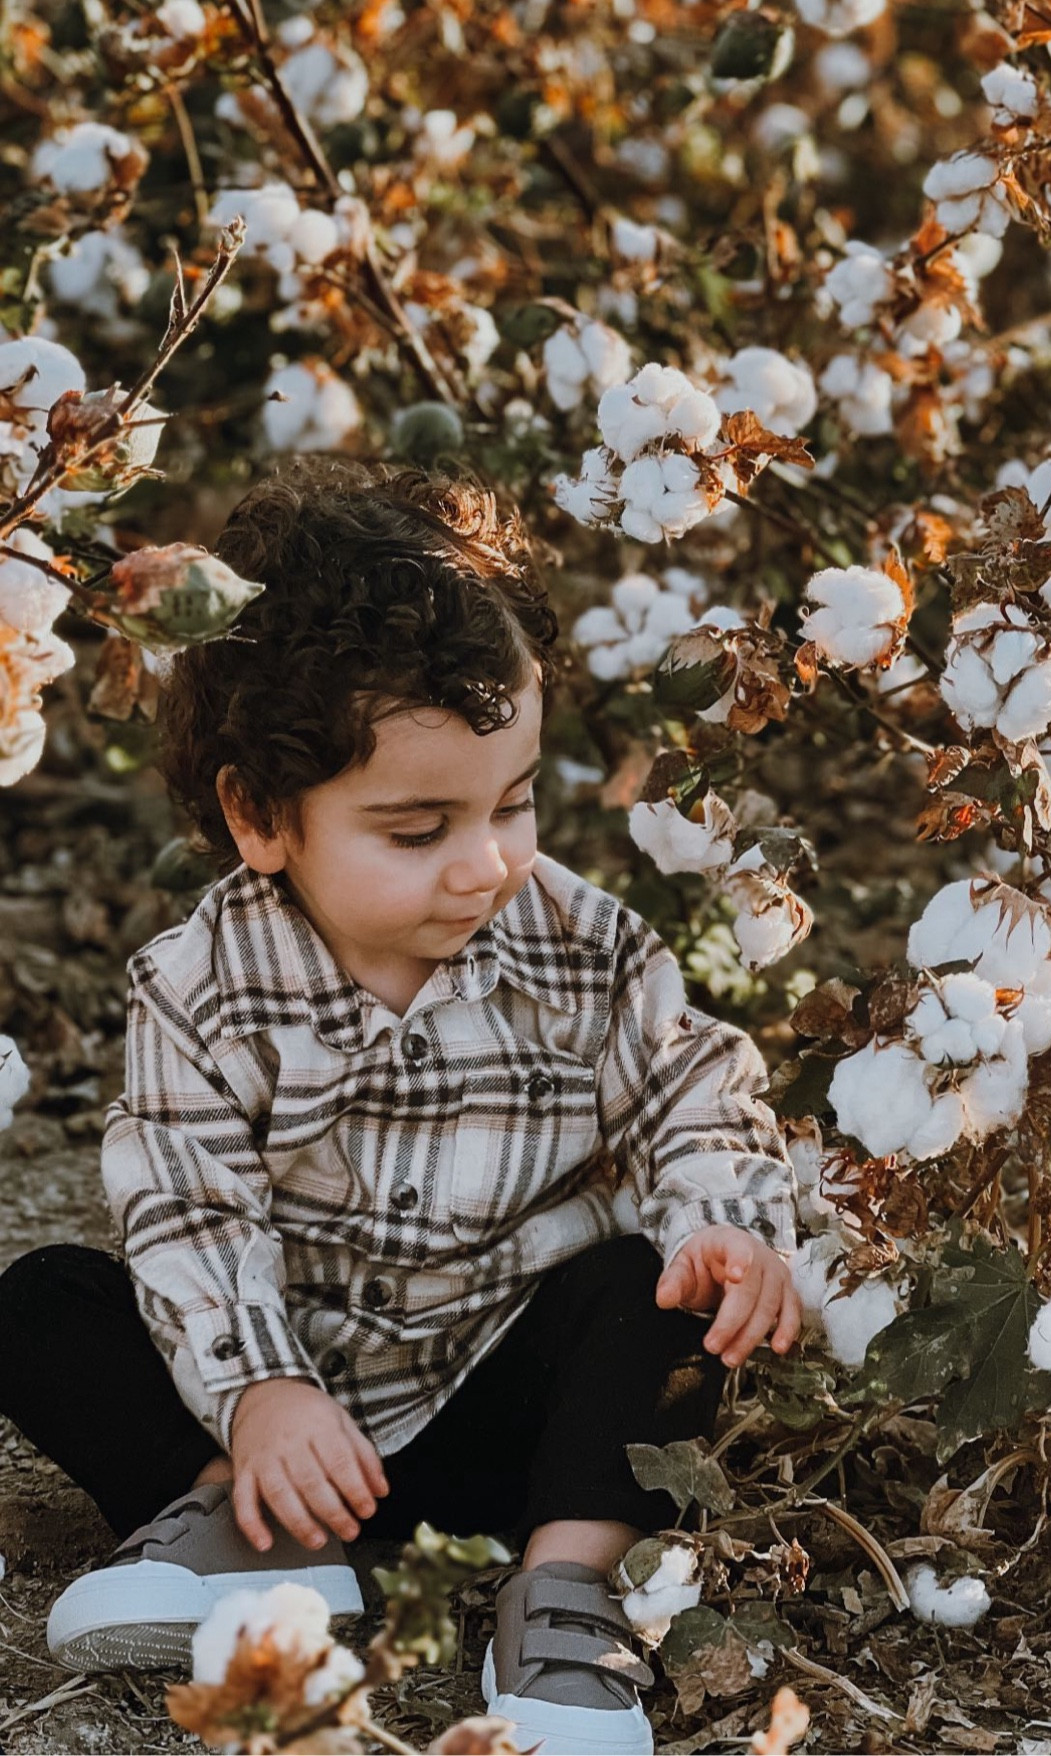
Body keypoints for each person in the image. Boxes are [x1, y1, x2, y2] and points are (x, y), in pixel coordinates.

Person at [0, 457, 800, 1756]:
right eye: (419, 831)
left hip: (504, 1409)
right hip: (289, 1422)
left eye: (514, 803)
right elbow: (188, 1205)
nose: (485, 863)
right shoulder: (200, 987)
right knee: (44, 1305)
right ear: (261, 816)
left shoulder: (581, 949)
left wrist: (726, 1219)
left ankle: (567, 1587)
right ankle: (252, 1526)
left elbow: (695, 1085)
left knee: (654, 1293)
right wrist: (262, 1392)